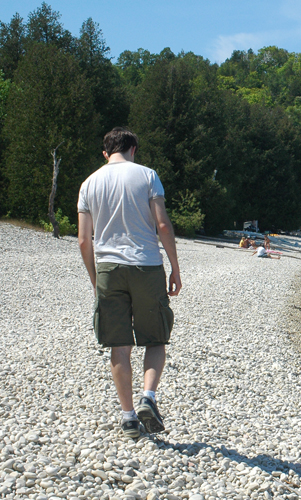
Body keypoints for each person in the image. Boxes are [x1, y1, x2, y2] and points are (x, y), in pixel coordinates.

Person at [77, 127, 181, 439]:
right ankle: (148, 397)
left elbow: (84, 240)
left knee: (119, 346)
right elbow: (162, 224)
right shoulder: (148, 176)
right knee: (155, 339)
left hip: (109, 267)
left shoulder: (89, 183)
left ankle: (128, 417)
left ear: (106, 153)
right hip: (146, 265)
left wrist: (96, 278)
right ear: (133, 149)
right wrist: (175, 268)